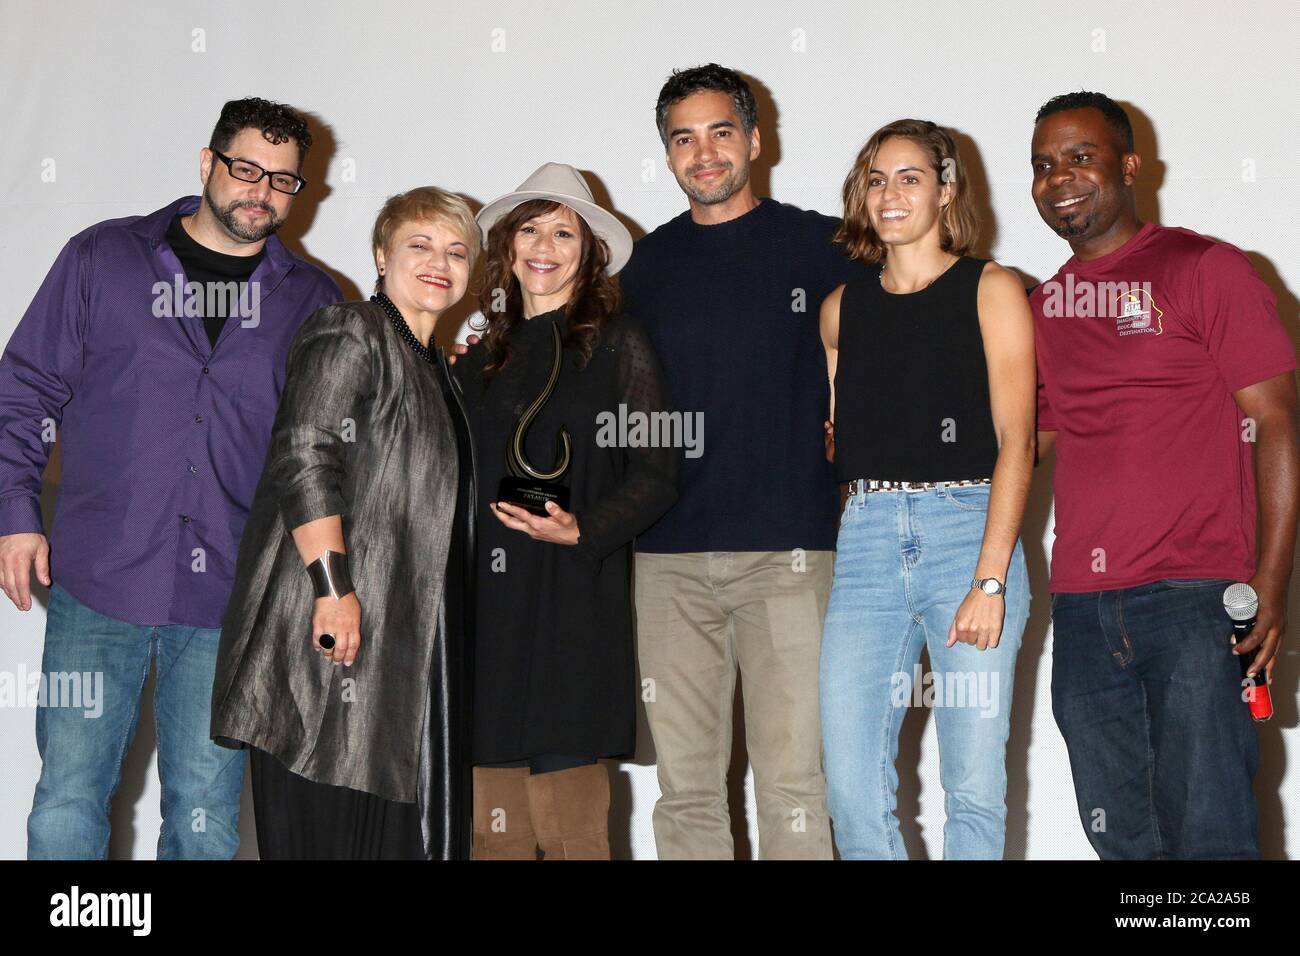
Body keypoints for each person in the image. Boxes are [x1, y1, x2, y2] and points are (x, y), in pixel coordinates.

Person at [1, 97, 341, 860]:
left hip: (229, 598)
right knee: (67, 797)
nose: (261, 191)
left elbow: (323, 453)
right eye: (246, 168)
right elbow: (22, 392)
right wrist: (16, 512)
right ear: (206, 164)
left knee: (205, 817)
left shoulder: (313, 301)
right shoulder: (102, 259)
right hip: (98, 579)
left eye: (283, 181)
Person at [1030, 92, 1298, 859]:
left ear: (1130, 165)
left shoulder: (1204, 267)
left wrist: (1270, 589)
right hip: (1082, 609)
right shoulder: (1045, 306)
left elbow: (1277, 422)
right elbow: (1024, 442)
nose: (1060, 179)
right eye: (1043, 166)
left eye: (1080, 157)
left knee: (1210, 837)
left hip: (1193, 600)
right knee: (1122, 841)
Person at [616, 64, 864, 859]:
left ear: (756, 140)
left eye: (721, 131)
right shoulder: (645, 267)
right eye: (683, 138)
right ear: (667, 155)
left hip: (790, 553)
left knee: (795, 786)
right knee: (684, 793)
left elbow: (918, 312)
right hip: (665, 563)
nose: (705, 151)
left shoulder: (821, 245)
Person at [210, 187, 478, 860]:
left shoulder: (443, 371)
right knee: (329, 834)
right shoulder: (352, 329)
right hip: (333, 642)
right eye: (420, 244)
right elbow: (304, 452)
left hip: (404, 652)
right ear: (382, 256)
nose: (439, 262)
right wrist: (333, 589)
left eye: (457, 251)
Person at [818, 120, 1036, 859]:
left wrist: (991, 576)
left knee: (971, 782)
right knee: (848, 781)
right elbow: (840, 439)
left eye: (909, 176)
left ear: (946, 190)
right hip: (869, 538)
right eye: (876, 178)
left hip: (968, 532)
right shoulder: (841, 309)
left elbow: (1018, 444)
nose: (890, 192)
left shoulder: (993, 288)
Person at [454, 163, 677, 860]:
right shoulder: (478, 356)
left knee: (573, 832)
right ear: (508, 247)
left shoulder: (620, 343)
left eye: (563, 232)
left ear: (589, 253)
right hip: (487, 607)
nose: (544, 246)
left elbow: (658, 470)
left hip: (574, 600)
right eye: (531, 229)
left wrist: (584, 527)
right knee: (496, 835)